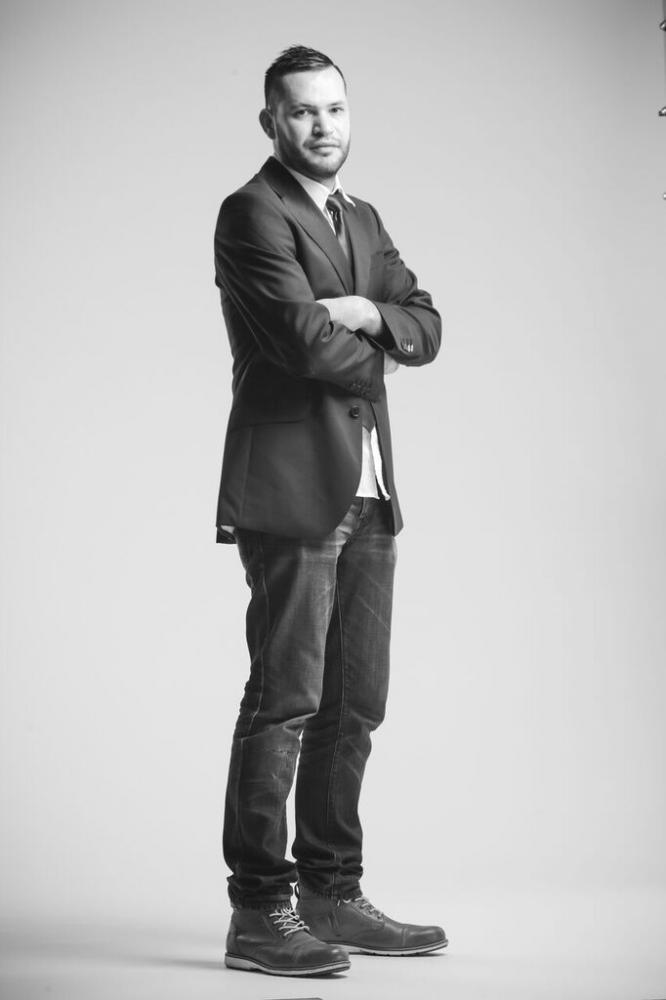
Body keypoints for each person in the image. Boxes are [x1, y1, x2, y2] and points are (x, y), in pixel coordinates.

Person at [213, 45, 446, 977]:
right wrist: (375, 337)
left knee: (355, 706)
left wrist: (370, 312)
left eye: (335, 109)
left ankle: (331, 894)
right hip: (292, 489)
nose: (322, 126)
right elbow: (305, 343)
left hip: (370, 490)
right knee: (285, 703)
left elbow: (427, 319)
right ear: (271, 122)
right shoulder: (250, 212)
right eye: (303, 111)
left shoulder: (365, 217)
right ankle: (258, 912)